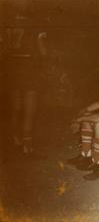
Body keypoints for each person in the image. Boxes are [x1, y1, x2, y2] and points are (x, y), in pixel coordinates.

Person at [4, 12, 47, 157]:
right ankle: (27, 145)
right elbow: (43, 51)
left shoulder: (7, 24)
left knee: (16, 107)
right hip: (29, 68)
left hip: (12, 67)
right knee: (30, 110)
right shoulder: (34, 25)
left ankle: (15, 139)